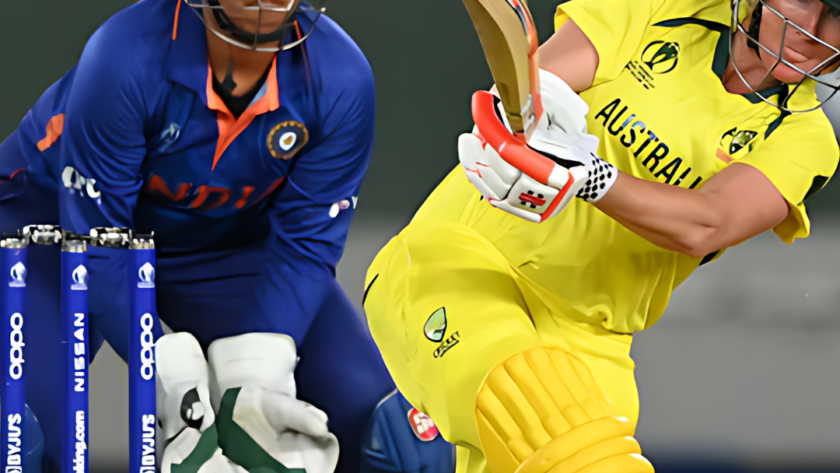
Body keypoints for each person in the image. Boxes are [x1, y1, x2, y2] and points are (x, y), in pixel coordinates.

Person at [362, 0, 840, 472]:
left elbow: (708, 223)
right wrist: (528, 133)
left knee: (581, 436)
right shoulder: (661, 8)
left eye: (838, 13)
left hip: (593, 337)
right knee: (582, 453)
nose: (814, 30)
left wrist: (591, 178)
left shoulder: (806, 139)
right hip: (458, 263)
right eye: (805, 0)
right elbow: (537, 87)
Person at [0, 0, 454, 471]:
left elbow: (306, 242)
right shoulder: (126, 54)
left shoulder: (340, 77)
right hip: (54, 228)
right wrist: (163, 367)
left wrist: (257, 370)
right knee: (18, 433)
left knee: (401, 439)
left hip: (221, 245)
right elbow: (98, 237)